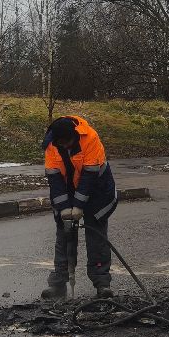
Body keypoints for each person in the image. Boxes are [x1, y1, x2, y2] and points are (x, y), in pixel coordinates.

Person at [40, 115, 117, 300]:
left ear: (74, 136)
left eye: (68, 142)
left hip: (97, 190)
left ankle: (102, 284)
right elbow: (55, 180)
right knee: (64, 235)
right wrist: (65, 208)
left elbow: (89, 177)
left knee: (96, 236)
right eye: (62, 143)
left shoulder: (90, 138)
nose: (65, 146)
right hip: (67, 189)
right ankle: (58, 284)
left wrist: (79, 205)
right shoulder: (51, 145)